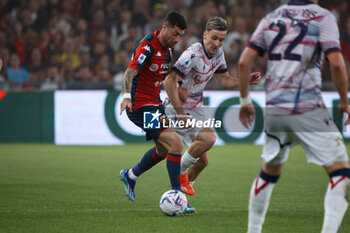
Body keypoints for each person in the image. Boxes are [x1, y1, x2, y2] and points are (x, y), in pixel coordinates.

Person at [237, 1, 350, 233]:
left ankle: (253, 230)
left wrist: (245, 101)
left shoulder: (272, 17)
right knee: (341, 174)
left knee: (269, 172)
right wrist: (345, 100)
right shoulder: (323, 17)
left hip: (275, 108)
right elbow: (337, 64)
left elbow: (244, 61)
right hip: (306, 107)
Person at [163, 17, 260, 196]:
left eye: (221, 39)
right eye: (214, 38)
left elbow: (224, 80)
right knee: (208, 139)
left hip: (196, 107)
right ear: (205, 35)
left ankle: (178, 197)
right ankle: (180, 174)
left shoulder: (218, 53)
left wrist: (245, 81)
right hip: (178, 106)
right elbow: (169, 82)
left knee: (202, 162)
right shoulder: (192, 54)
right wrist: (181, 113)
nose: (217, 43)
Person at [118, 12, 196, 213]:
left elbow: (161, 80)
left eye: (180, 35)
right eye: (175, 33)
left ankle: (131, 175)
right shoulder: (148, 46)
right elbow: (130, 72)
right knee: (176, 144)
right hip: (141, 106)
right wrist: (126, 96)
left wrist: (179, 90)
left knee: (163, 151)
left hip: (154, 105)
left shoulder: (168, 52)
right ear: (164, 27)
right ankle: (178, 198)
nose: (177, 39)